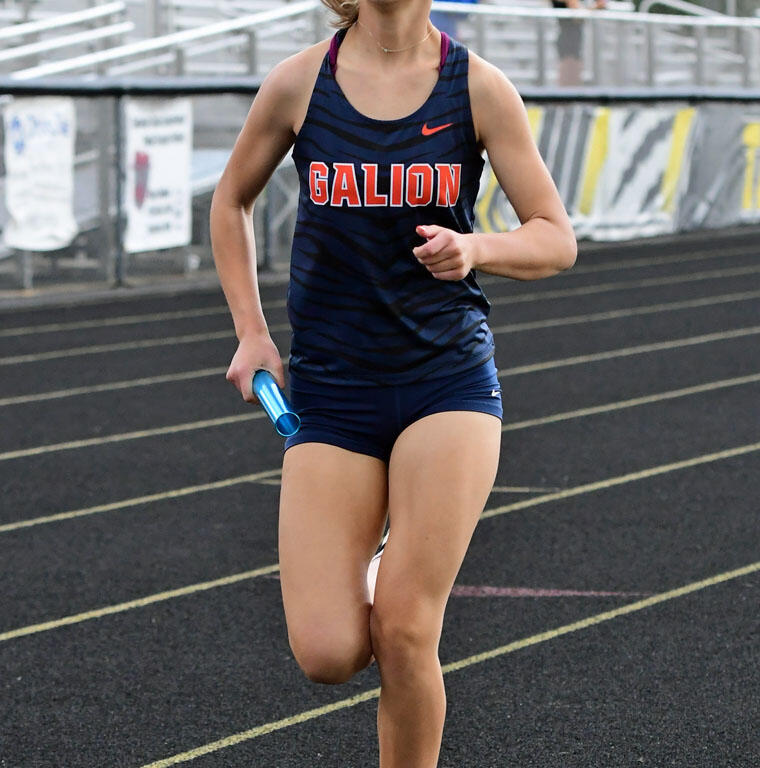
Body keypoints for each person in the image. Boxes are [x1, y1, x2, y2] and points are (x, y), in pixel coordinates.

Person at [210, 1, 576, 765]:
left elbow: (553, 237)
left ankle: (399, 574)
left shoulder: (476, 87)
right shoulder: (298, 84)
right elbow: (230, 199)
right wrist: (252, 333)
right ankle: (384, 553)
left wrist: (477, 247)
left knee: (405, 628)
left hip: (446, 380)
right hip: (334, 390)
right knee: (329, 652)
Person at [552, 0, 608, 87]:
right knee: (569, 75)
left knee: (571, 74)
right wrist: (597, 6)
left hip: (570, 38)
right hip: (569, 40)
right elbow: (578, 16)